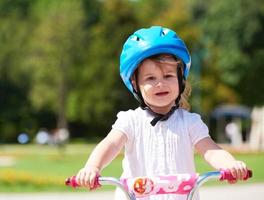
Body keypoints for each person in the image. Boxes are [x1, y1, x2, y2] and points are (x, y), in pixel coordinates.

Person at [75, 26, 249, 200]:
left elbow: (211, 151)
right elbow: (111, 144)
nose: (160, 83)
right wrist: (93, 167)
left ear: (180, 79)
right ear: (135, 84)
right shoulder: (130, 120)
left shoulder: (190, 123)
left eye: (168, 76)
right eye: (150, 78)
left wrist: (230, 165)